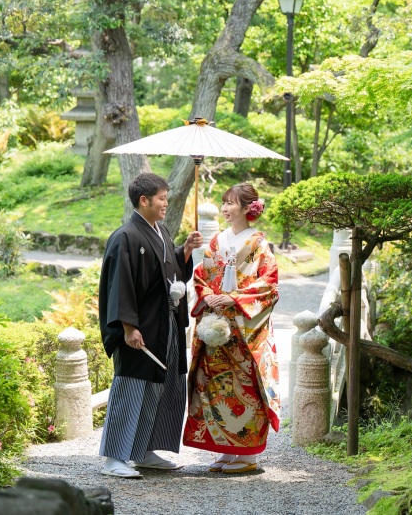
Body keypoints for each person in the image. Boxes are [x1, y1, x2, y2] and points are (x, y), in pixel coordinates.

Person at [98, 173, 203, 478]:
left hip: (164, 322)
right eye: (161, 198)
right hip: (140, 328)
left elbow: (169, 267)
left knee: (161, 387)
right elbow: (121, 285)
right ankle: (115, 457)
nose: (165, 204)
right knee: (131, 385)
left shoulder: (161, 231)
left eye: (166, 198)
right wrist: (128, 327)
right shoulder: (125, 237)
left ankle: (144, 450)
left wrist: (184, 251)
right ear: (143, 201)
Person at [183, 182, 280, 473]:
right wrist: (207, 295)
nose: (225, 208)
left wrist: (234, 298)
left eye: (231, 203)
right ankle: (226, 449)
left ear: (248, 208)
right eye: (223, 202)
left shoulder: (259, 244)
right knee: (214, 385)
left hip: (244, 329)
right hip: (218, 327)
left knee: (245, 386)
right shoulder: (217, 241)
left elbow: (269, 284)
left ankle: (247, 456)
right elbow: (201, 275)